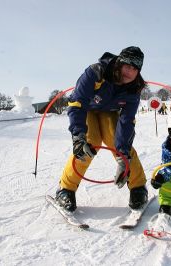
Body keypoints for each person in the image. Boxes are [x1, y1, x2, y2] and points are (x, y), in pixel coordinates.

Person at [55, 46, 148, 212]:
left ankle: (138, 187)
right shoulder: (97, 72)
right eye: (127, 65)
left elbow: (127, 121)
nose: (130, 72)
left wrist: (123, 157)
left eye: (135, 69)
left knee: (117, 142)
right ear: (119, 63)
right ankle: (65, 189)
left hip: (109, 113)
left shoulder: (134, 88)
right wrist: (78, 136)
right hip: (87, 109)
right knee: (90, 142)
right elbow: (77, 103)